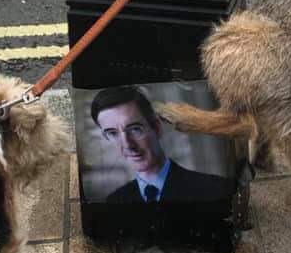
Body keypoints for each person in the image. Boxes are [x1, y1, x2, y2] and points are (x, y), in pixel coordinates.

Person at [91, 85, 234, 204]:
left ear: (157, 128)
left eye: (135, 129)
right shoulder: (114, 201)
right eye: (112, 133)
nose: (127, 145)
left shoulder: (216, 189)